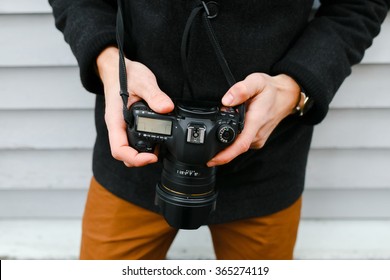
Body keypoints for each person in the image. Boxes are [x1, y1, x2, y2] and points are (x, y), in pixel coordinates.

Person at [49, 0, 389, 259]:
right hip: (135, 155)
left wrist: (294, 87)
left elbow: (359, 5)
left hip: (268, 158)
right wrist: (109, 62)